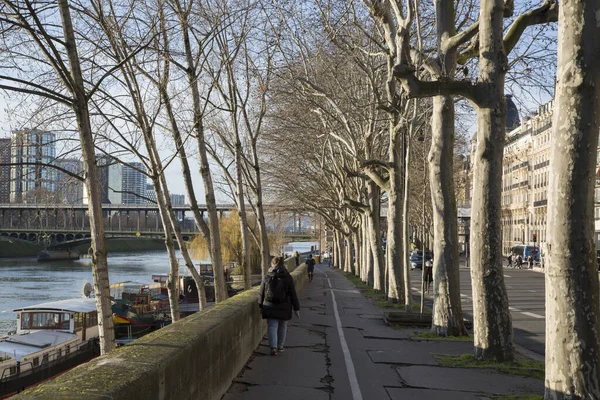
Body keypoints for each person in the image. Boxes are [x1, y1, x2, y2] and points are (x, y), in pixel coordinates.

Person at [258, 257, 300, 356]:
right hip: (285, 306)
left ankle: (273, 347)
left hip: (269, 306)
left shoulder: (267, 276)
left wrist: (260, 306)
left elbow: (261, 293)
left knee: (272, 326)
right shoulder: (288, 277)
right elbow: (293, 294)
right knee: (283, 326)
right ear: (283, 264)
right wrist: (296, 308)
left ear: (272, 264)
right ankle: (280, 346)